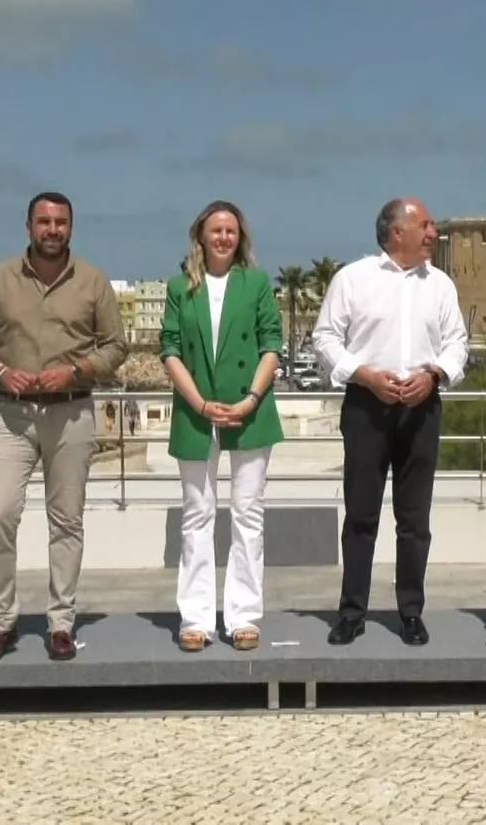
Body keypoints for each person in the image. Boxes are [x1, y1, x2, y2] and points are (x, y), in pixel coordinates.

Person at [0, 192, 128, 664]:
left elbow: (116, 346)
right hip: (11, 413)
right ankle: (0, 622)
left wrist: (76, 371)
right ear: (28, 226)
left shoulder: (93, 281)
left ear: (70, 227)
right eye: (44, 221)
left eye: (60, 222)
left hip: (71, 412)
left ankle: (60, 622)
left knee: (67, 521)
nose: (52, 230)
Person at [310, 197, 468, 647]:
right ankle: (352, 612)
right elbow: (324, 337)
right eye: (426, 224)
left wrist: (434, 375)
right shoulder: (352, 279)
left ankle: (411, 613)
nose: (434, 233)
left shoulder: (440, 285)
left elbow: (457, 343)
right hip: (366, 407)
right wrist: (363, 375)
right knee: (360, 515)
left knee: (414, 519)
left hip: (422, 407)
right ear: (397, 232)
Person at [158, 200, 285, 652]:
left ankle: (244, 615)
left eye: (231, 230)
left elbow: (272, 343)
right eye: (216, 230)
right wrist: (200, 403)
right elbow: (169, 349)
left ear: (240, 237)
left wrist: (250, 398)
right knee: (197, 516)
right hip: (196, 413)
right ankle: (195, 618)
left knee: (249, 515)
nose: (224, 237)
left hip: (250, 410)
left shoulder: (255, 283)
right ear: (201, 236)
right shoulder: (180, 287)